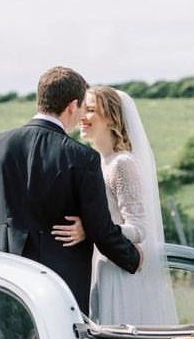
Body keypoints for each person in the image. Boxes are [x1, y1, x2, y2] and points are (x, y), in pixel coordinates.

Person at [0, 66, 141, 312]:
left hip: (2, 287)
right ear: (72, 106)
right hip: (60, 295)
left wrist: (0, 250)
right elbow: (100, 230)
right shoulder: (82, 158)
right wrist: (132, 258)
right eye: (81, 109)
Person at [51, 86, 178, 326]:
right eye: (82, 110)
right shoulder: (96, 162)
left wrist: (90, 229)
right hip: (99, 266)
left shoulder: (122, 164)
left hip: (119, 274)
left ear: (110, 117)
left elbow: (139, 228)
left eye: (90, 110)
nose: (82, 117)